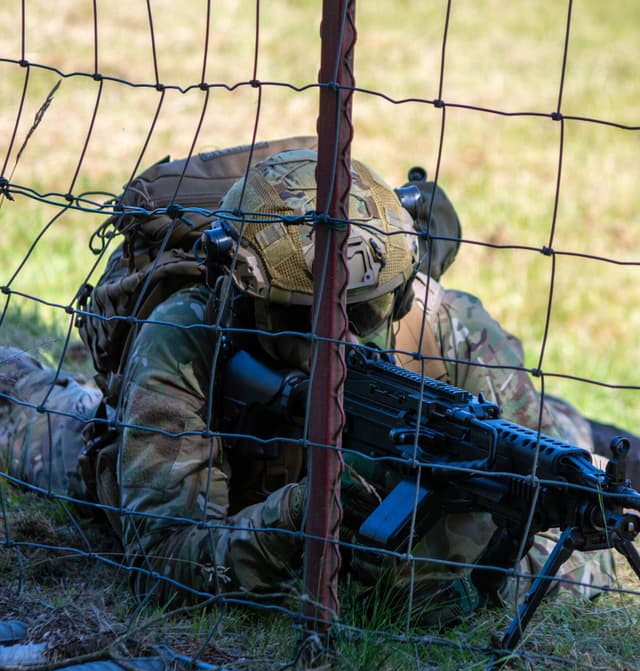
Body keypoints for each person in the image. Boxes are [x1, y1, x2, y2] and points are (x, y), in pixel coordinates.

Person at [0, 146, 634, 624]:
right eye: (303, 318)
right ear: (246, 300)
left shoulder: (448, 330)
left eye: (363, 313)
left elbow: (566, 551)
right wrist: (300, 519)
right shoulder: (190, 335)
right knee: (26, 410)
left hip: (508, 428)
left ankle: (589, 429)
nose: (341, 341)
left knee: (572, 452)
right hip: (183, 467)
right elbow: (163, 565)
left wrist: (455, 553)